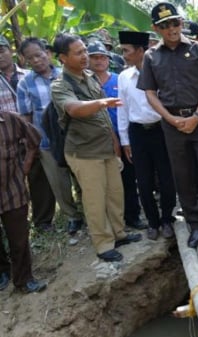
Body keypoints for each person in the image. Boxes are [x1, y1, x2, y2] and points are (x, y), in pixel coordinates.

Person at [138, 2, 198, 249]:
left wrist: (197, 117)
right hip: (172, 123)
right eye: (165, 25)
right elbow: (149, 92)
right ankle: (195, 224)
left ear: (181, 23)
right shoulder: (151, 56)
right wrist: (170, 119)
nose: (171, 29)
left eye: (175, 23)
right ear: (156, 28)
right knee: (183, 176)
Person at [50, 33, 142, 262]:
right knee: (94, 200)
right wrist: (102, 102)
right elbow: (73, 109)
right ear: (63, 57)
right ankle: (103, 244)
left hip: (106, 148)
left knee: (115, 194)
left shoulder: (89, 77)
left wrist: (115, 144)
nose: (84, 56)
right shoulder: (60, 85)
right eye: (78, 52)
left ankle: (119, 233)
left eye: (84, 51)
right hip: (84, 152)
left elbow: (103, 117)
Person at [117, 30, 176, 241]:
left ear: (141, 51)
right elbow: (122, 111)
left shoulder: (161, 73)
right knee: (143, 181)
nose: (124, 55)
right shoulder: (124, 77)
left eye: (127, 50)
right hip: (137, 133)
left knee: (167, 178)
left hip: (162, 130)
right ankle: (152, 222)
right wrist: (125, 141)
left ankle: (168, 219)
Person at [87, 40, 146, 231]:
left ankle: (133, 216)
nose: (99, 61)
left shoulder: (118, 78)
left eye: (102, 57)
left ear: (108, 59)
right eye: (94, 57)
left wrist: (125, 138)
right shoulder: (85, 82)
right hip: (98, 140)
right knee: (104, 185)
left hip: (123, 135)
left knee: (129, 179)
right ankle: (112, 223)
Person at [6, 35, 57, 232]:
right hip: (44, 141)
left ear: (48, 53)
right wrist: (31, 144)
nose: (36, 60)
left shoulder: (63, 75)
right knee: (45, 181)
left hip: (72, 138)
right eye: (30, 58)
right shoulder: (25, 83)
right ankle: (45, 221)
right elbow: (26, 118)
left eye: (38, 55)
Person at [0, 109, 48, 293]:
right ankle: (3, 272)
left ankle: (24, 280)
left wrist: (25, 167)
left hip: (13, 190)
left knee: (19, 239)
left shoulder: (10, 119)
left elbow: (34, 138)